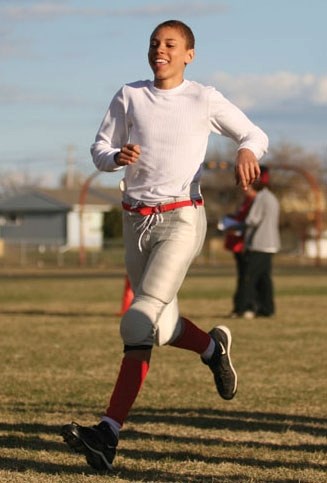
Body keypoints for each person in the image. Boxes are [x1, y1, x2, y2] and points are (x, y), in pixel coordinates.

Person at [61, 19, 268, 472]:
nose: (161, 50)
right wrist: (116, 157)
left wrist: (247, 151)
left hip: (181, 218)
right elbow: (99, 149)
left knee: (139, 318)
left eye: (171, 45)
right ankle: (213, 349)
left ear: (189, 54)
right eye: (155, 43)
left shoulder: (203, 97)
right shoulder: (128, 95)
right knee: (159, 324)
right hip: (135, 221)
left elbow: (255, 134)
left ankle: (107, 434)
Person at [236, 166, 280, 319]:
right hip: (270, 244)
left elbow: (252, 220)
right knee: (264, 278)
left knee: (250, 276)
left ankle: (244, 308)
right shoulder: (272, 197)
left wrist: (235, 224)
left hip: (259, 243)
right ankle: (267, 308)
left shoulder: (262, 198)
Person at [219, 186, 257, 317]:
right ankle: (240, 307)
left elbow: (249, 222)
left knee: (247, 277)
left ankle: (247, 307)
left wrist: (236, 225)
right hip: (237, 244)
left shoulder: (255, 201)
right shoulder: (245, 201)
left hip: (245, 244)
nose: (245, 190)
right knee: (242, 276)